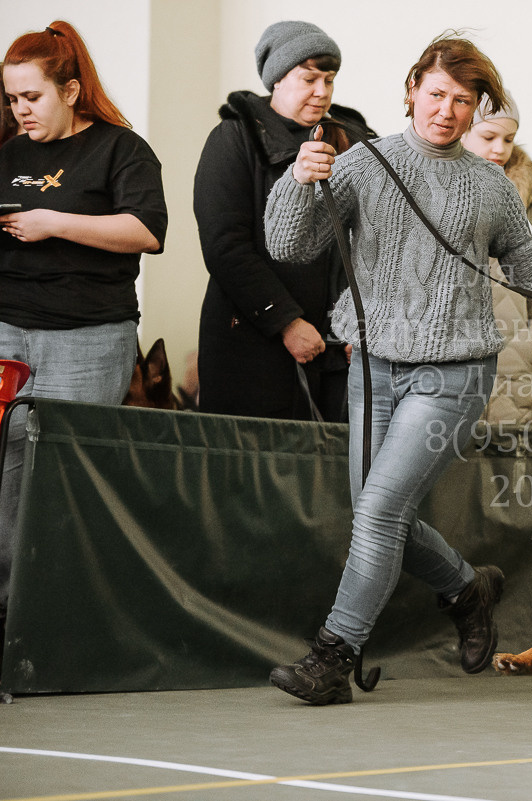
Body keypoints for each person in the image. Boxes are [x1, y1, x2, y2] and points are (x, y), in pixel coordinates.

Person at [262, 33, 532, 705]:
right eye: (436, 94)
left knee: (380, 508)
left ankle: (332, 656)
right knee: (380, 513)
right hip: (373, 365)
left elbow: (530, 265)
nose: (446, 110)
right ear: (413, 89)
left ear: (477, 109)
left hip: (455, 371)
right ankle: (467, 588)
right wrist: (298, 180)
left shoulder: (489, 185)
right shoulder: (362, 164)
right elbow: (287, 244)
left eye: (462, 101)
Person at [0, 20, 167, 628]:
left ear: (70, 91)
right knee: (8, 469)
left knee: (64, 473)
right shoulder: (9, 153)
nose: (20, 110)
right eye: (12, 99)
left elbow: (146, 232)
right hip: (9, 327)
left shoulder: (121, 149)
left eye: (32, 96)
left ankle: (61, 617)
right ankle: (12, 611)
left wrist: (53, 222)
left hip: (88, 337)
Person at [194, 21, 375, 422]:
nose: (322, 91)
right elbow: (225, 247)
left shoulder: (353, 141)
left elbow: (372, 243)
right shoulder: (233, 140)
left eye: (329, 79)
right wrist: (285, 321)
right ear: (276, 78)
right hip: (251, 349)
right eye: (309, 79)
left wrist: (360, 325)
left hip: (339, 355)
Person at [461, 93, 532, 426]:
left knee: (511, 452)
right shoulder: (432, 191)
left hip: (514, 358)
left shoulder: (521, 194)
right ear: (462, 131)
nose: (500, 149)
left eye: (509, 139)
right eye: (489, 137)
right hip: (452, 362)